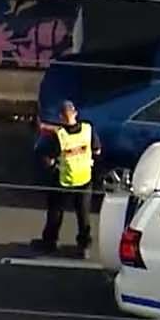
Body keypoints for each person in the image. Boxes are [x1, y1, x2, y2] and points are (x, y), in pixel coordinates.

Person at [32, 100, 102, 257]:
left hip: (64, 180)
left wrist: (50, 166)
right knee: (83, 215)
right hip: (85, 178)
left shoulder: (60, 136)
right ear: (75, 113)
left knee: (55, 212)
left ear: (61, 117)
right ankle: (84, 246)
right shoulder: (87, 129)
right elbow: (97, 150)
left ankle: (50, 242)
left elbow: (49, 158)